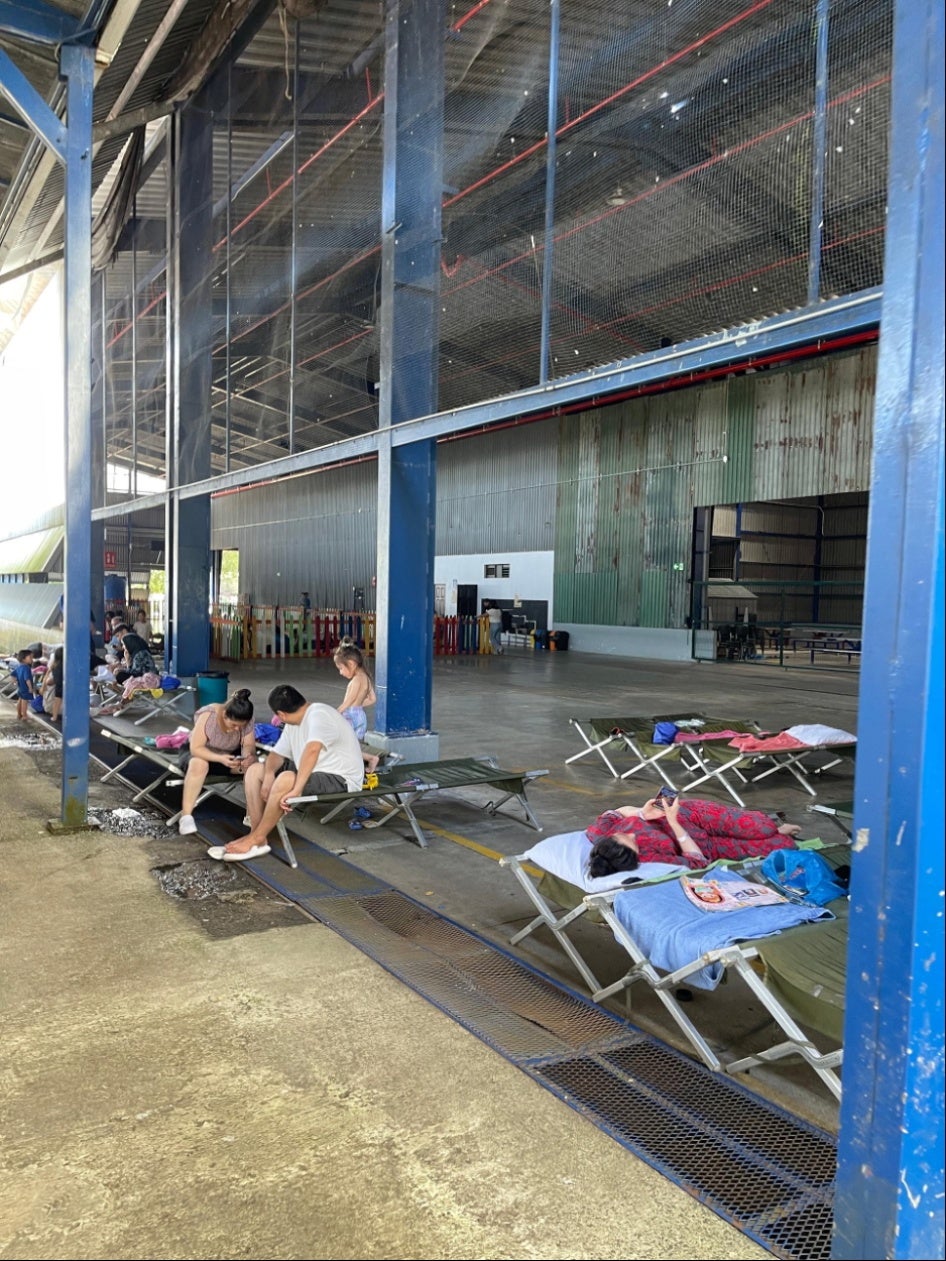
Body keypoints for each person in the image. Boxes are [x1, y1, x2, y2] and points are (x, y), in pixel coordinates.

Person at [211, 683, 363, 862]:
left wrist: (297, 788)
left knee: (286, 778)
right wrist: (268, 776)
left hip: (340, 779)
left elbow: (312, 750)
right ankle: (256, 836)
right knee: (255, 770)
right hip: (311, 772)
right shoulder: (295, 721)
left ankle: (255, 839)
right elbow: (277, 754)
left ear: (280, 715)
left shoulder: (319, 715)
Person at [586, 794, 802, 878]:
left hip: (692, 815)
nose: (633, 835)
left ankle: (770, 827)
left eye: (625, 834)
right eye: (634, 842)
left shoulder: (600, 834)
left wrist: (642, 813)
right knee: (784, 844)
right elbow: (697, 861)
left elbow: (615, 812)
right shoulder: (651, 858)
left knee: (763, 826)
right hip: (706, 845)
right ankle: (779, 832)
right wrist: (672, 823)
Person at [177, 688, 256, 835]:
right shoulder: (209, 715)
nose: (237, 729)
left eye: (241, 726)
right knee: (199, 764)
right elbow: (196, 748)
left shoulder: (246, 720)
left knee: (253, 768)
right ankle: (186, 817)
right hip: (200, 754)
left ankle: (251, 817)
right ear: (225, 715)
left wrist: (247, 757)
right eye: (234, 725)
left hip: (227, 757)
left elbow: (248, 745)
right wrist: (220, 758)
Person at [334, 638, 380, 774]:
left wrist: (336, 712)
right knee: (353, 745)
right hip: (360, 716)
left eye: (341, 668)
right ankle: (361, 764)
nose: (340, 672)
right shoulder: (365, 677)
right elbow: (373, 699)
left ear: (351, 664)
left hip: (351, 716)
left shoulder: (356, 680)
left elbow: (349, 701)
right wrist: (358, 706)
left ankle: (371, 758)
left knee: (343, 744)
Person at [12, 648, 37, 720]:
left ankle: (19, 714)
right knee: (24, 701)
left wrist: (14, 681)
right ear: (23, 659)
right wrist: (30, 688)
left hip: (20, 687)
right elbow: (27, 679)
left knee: (20, 700)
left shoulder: (19, 667)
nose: (32, 659)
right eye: (30, 657)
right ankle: (24, 715)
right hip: (26, 688)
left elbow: (12, 675)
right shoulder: (26, 668)